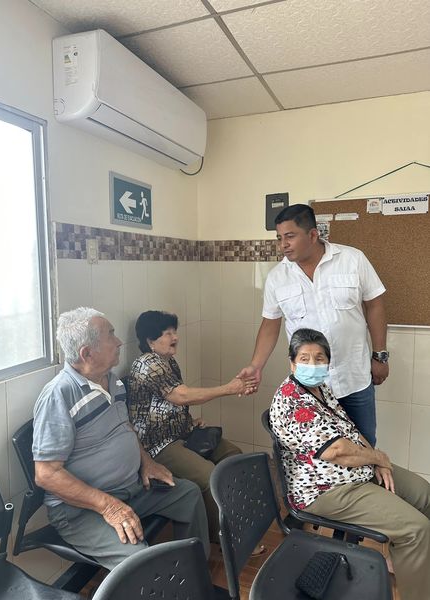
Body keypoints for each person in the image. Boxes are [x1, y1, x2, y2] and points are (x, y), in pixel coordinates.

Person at [32, 307, 209, 571]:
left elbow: (125, 428)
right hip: (82, 510)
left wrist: (146, 461)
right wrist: (109, 506)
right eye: (111, 336)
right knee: (140, 561)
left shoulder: (112, 381)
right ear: (87, 353)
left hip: (130, 488)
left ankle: (193, 573)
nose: (118, 342)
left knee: (188, 494)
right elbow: (46, 474)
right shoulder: (59, 395)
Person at [270, 327, 430, 600]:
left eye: (319, 358)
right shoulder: (292, 401)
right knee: (416, 530)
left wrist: (377, 460)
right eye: (304, 359)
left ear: (328, 362)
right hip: (325, 490)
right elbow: (337, 451)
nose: (312, 365)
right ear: (292, 363)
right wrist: (379, 458)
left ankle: (410, 564)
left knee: (424, 494)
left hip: (356, 471)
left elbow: (351, 431)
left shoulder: (320, 389)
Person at [239, 203, 388, 446]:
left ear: (312, 234)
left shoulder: (352, 259)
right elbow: (270, 325)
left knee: (364, 447)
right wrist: (256, 366)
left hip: (354, 379)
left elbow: (375, 305)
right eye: (279, 238)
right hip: (309, 386)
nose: (283, 244)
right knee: (315, 453)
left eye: (290, 236)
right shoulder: (277, 277)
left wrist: (380, 356)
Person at [128, 310, 262, 548]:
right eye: (168, 333)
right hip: (158, 445)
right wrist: (230, 388)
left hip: (181, 433)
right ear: (150, 340)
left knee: (234, 456)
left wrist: (189, 422)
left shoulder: (168, 361)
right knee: (209, 476)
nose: (175, 337)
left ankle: (240, 520)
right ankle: (226, 537)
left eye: (175, 331)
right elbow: (181, 396)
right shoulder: (147, 364)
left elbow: (173, 403)